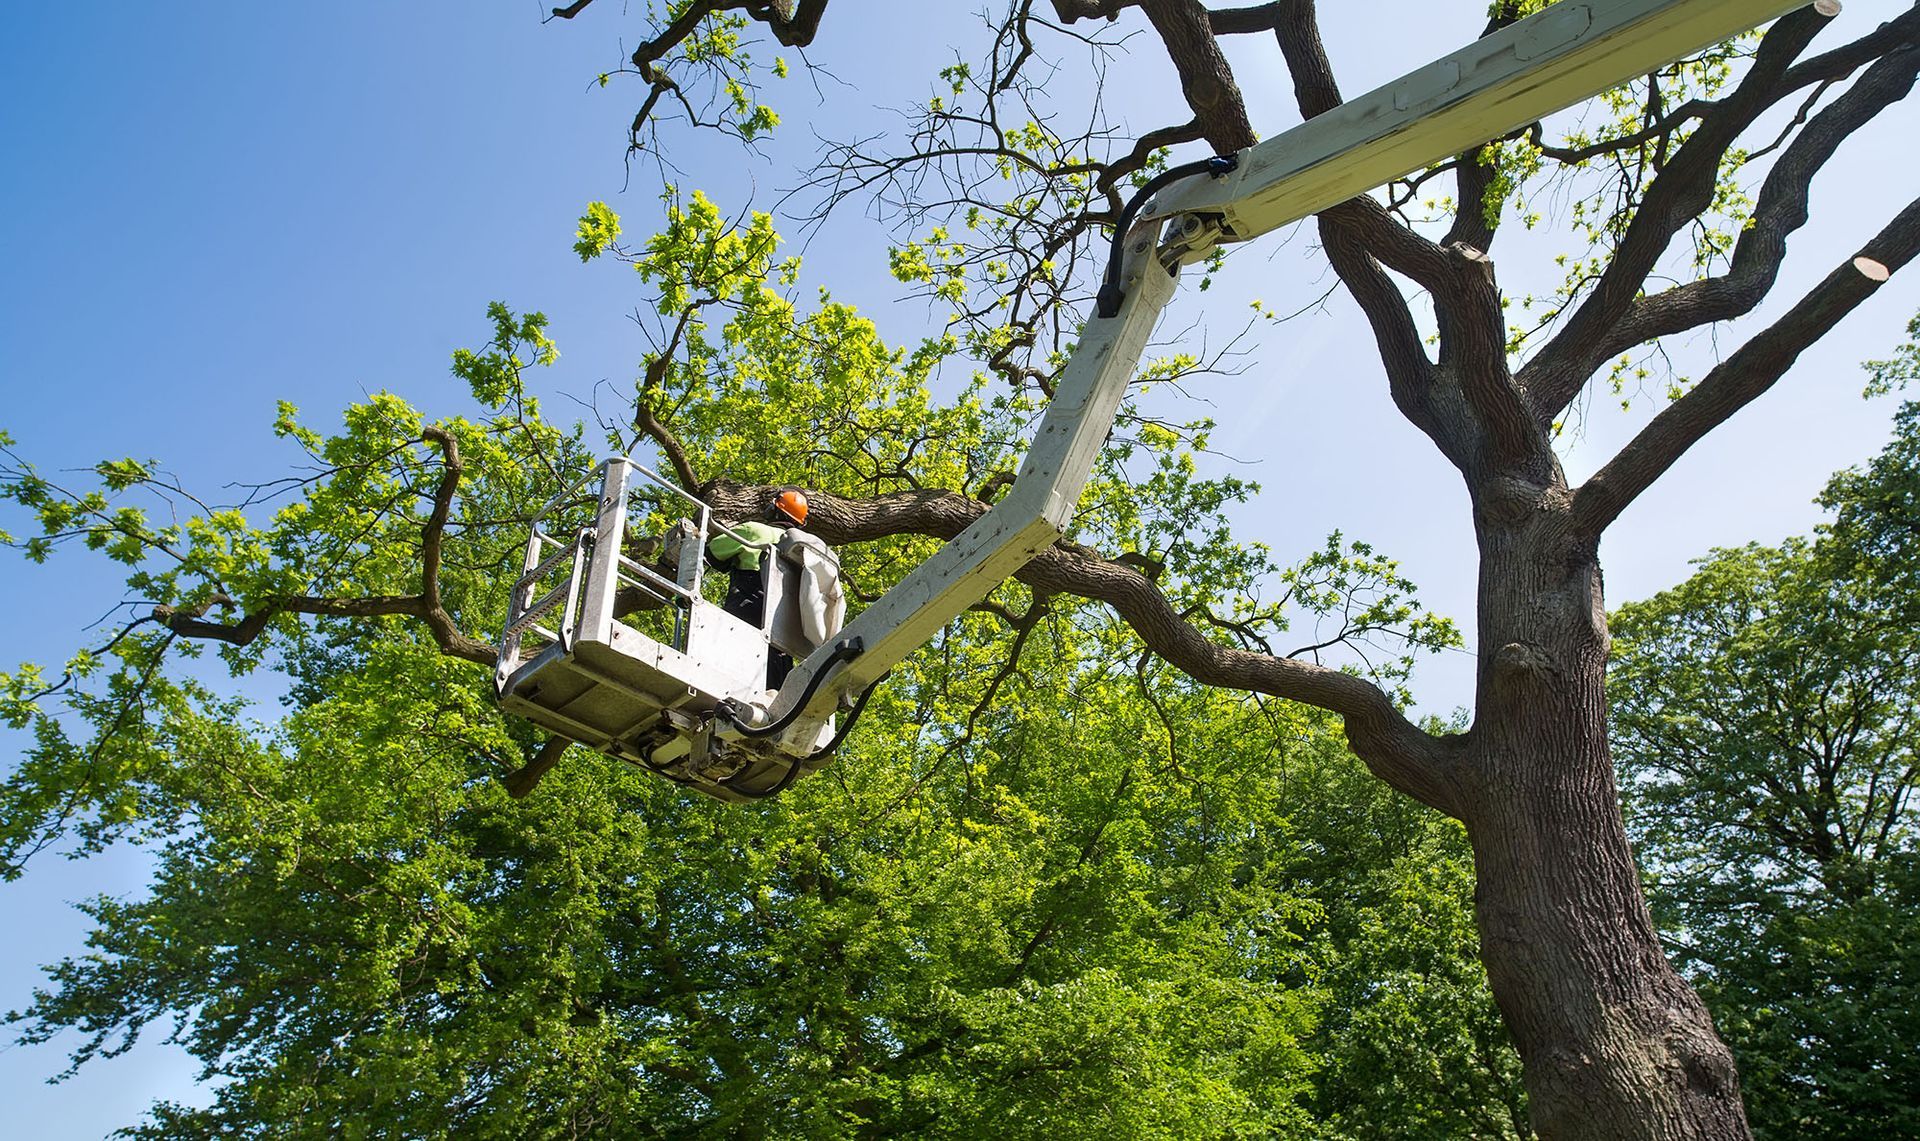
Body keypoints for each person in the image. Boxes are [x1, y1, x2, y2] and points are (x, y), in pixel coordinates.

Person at [708, 489, 811, 686]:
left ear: (773, 508)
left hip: (744, 619)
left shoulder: (754, 530)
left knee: (726, 684)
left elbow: (713, 552)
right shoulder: (804, 552)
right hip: (782, 639)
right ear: (800, 522)